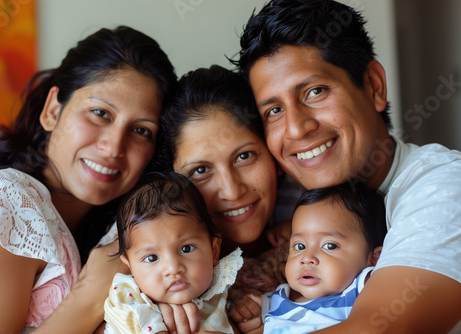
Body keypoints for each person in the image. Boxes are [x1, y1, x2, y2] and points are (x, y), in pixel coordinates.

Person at [233, 0, 461, 332]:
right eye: (274, 111)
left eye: (315, 91)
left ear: (373, 86)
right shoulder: (278, 196)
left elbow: (373, 328)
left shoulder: (442, 185)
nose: (296, 129)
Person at [0, 26, 177, 333]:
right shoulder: (3, 201)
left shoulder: (115, 233)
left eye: (141, 130)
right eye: (100, 113)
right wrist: (89, 296)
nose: (114, 147)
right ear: (52, 111)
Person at [156, 65, 302, 333]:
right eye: (200, 171)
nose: (232, 191)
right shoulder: (153, 274)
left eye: (244, 156)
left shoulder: (321, 215)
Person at [230, 182, 386, 333]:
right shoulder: (271, 302)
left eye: (330, 246)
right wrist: (249, 316)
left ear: (375, 258)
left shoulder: (362, 289)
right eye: (300, 246)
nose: (307, 258)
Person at [103, 171, 243, 334]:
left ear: (214, 251)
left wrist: (244, 308)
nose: (173, 268)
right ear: (130, 265)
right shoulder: (129, 296)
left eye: (186, 249)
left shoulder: (220, 286)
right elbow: (123, 317)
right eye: (152, 258)